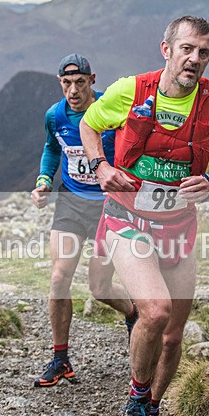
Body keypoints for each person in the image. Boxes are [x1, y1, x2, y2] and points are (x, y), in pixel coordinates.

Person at [80, 15, 209, 416]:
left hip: (178, 227)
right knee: (154, 311)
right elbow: (90, 125)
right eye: (187, 49)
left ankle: (152, 409)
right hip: (127, 217)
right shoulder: (130, 90)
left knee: (172, 335)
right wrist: (102, 166)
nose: (195, 59)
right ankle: (135, 401)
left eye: (203, 52)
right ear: (166, 49)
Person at [30, 53, 137, 388]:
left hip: (109, 205)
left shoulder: (111, 107)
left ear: (92, 80)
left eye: (79, 82)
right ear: (59, 83)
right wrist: (44, 179)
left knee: (100, 288)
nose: (73, 90)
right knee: (60, 277)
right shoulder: (54, 115)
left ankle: (134, 313)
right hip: (71, 204)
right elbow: (52, 148)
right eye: (66, 83)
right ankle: (60, 359)